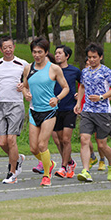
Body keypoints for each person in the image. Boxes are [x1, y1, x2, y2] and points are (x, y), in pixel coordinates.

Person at [22, 37, 69, 186]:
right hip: (34, 110)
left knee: (43, 145)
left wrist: (57, 98)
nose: (36, 55)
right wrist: (25, 93)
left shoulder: (54, 68)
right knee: (33, 148)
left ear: (46, 52)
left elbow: (66, 88)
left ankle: (47, 176)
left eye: (40, 52)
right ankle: (49, 163)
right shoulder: (28, 68)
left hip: (49, 111)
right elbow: (24, 86)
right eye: (34, 52)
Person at [74, 42, 111, 182]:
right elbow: (82, 86)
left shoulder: (106, 71)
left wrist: (102, 97)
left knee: (101, 144)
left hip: (103, 112)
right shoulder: (85, 71)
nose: (91, 60)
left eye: (94, 57)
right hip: (87, 110)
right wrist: (78, 103)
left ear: (100, 57)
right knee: (84, 140)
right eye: (89, 57)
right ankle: (86, 170)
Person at [0, 36, 28, 184]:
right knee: (2, 142)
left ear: (14, 47)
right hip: (0, 105)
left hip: (15, 104)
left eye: (10, 47)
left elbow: (28, 82)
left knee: (12, 140)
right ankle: (17, 158)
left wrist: (23, 86)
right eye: (5, 47)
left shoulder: (22, 64)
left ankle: (12, 173)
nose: (8, 50)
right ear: (0, 49)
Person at [49, 45, 81, 179]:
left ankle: (63, 167)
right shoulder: (51, 70)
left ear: (67, 56)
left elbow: (83, 84)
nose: (57, 55)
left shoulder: (74, 71)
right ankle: (70, 162)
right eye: (56, 53)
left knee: (66, 139)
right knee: (59, 140)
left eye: (60, 53)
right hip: (55, 109)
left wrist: (79, 95)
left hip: (69, 108)